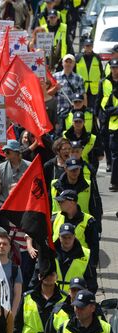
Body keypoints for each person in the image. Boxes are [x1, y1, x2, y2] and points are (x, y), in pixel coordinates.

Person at [12, 265, 67, 333]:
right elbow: (18, 324)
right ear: (39, 276)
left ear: (57, 277)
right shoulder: (27, 297)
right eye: (44, 274)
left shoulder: (65, 299)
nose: (47, 276)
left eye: (51, 274)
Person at [51, 290, 118, 333]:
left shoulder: (106, 329)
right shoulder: (64, 328)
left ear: (93, 308)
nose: (78, 310)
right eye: (76, 307)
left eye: (82, 307)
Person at [52, 189, 99, 264]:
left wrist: (92, 266)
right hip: (58, 263)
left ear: (73, 202)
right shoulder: (54, 218)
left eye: (62, 201)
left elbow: (94, 247)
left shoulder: (89, 221)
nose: (59, 203)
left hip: (79, 265)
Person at [0, 234, 23, 316]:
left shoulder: (15, 268)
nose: (1, 246)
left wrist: (13, 313)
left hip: (6, 310)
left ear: (9, 248)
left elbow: (17, 294)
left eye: (5, 244)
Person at [54, 223, 97, 293]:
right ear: (59, 236)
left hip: (75, 298)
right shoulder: (50, 252)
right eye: (64, 237)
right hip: (54, 297)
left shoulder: (86, 254)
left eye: (69, 237)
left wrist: (86, 299)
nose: (67, 240)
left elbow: (91, 280)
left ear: (74, 236)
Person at [98, 58, 118, 190]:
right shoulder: (107, 84)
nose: (115, 70)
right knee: (115, 155)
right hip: (114, 126)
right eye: (113, 68)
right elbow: (107, 108)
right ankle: (115, 182)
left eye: (117, 68)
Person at [54, 55, 85, 135]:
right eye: (66, 61)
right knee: (59, 135)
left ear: (74, 64)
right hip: (59, 112)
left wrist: (83, 110)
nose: (68, 64)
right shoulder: (55, 77)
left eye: (70, 62)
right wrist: (55, 88)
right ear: (62, 63)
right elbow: (49, 94)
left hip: (73, 113)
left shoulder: (79, 78)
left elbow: (83, 96)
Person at [75, 38, 104, 109]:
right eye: (87, 46)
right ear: (84, 47)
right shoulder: (78, 58)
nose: (89, 48)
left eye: (90, 46)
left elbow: (102, 73)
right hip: (82, 87)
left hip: (94, 88)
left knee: (93, 109)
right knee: (82, 108)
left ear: (92, 46)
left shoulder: (97, 58)